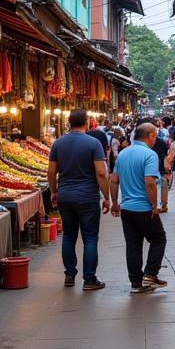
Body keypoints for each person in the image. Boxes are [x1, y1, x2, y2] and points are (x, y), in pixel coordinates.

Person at [48, 108, 112, 290]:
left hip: (65, 195)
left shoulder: (58, 143)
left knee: (68, 236)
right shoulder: (93, 143)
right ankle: (89, 279)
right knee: (90, 238)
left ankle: (69, 275)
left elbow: (52, 171)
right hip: (88, 197)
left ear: (69, 123)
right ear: (87, 123)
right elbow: (101, 172)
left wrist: (54, 191)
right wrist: (107, 197)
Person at [111, 121, 168, 294]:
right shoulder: (150, 155)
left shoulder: (123, 154)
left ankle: (136, 282)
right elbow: (150, 182)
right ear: (150, 135)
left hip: (127, 208)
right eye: (155, 136)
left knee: (133, 244)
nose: (155, 139)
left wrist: (115, 202)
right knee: (159, 239)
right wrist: (154, 205)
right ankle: (150, 273)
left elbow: (113, 180)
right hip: (143, 207)